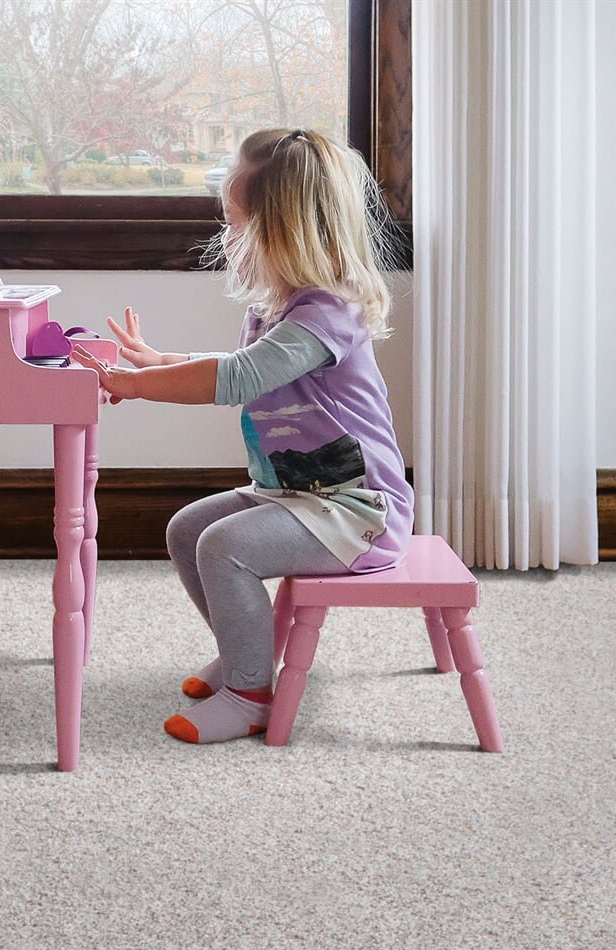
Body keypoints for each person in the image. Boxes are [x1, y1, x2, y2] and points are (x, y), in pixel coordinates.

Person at [70, 127, 410, 745]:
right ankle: (242, 653)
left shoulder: (325, 314)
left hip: (357, 512)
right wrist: (157, 361)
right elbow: (239, 365)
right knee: (187, 529)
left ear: (282, 233)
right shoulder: (278, 309)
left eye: (235, 224)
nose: (226, 239)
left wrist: (138, 385)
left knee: (224, 547)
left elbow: (238, 377)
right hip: (299, 494)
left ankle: (250, 693)